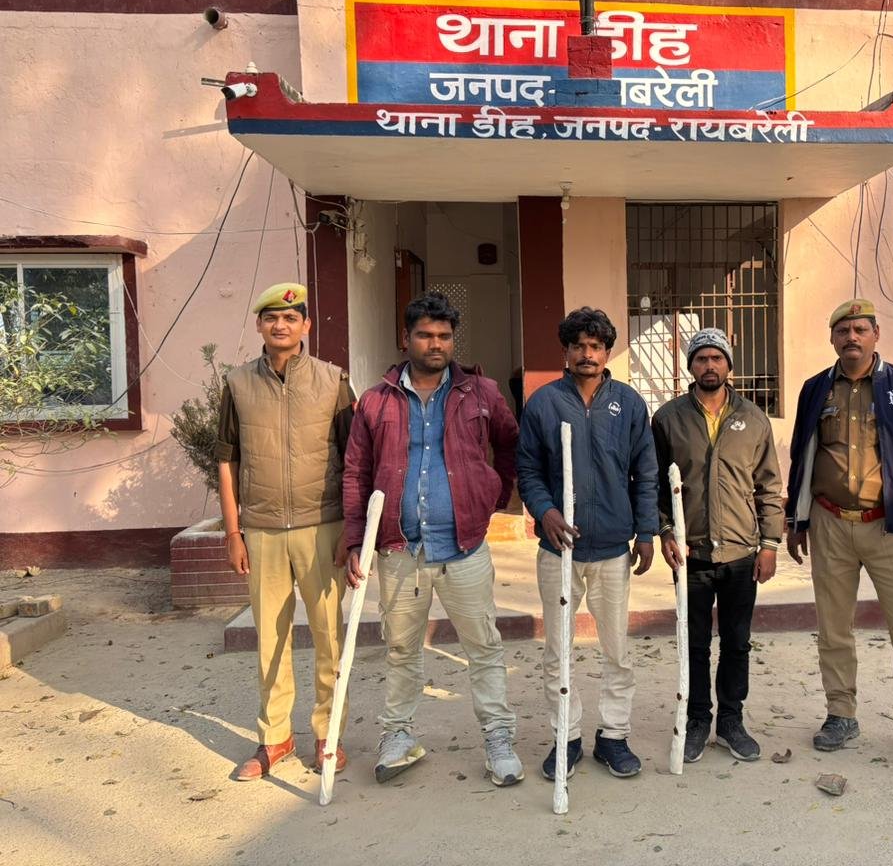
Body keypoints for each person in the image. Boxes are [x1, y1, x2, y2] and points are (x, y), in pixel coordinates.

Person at [341, 291, 523, 787]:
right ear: (406, 338)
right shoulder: (376, 401)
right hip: (401, 549)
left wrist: (493, 494)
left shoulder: (481, 393)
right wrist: (356, 539)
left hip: (464, 547)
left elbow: (510, 443)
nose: (436, 343)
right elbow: (356, 471)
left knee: (483, 646)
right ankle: (398, 735)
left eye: (444, 335)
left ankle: (498, 737)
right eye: (425, 334)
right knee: (401, 649)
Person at [785, 299, 893, 770]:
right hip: (830, 523)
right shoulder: (816, 388)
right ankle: (840, 714)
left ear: (876, 334)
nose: (851, 337)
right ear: (832, 338)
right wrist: (797, 520)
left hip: (890, 527)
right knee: (834, 629)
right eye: (843, 330)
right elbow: (802, 455)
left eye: (860, 329)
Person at [214, 282, 355, 781]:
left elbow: (355, 458)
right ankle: (275, 738)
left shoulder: (333, 381)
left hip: (323, 526)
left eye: (291, 318)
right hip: (263, 530)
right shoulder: (237, 384)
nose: (281, 325)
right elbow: (226, 459)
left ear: (305, 326)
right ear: (259, 325)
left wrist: (351, 528)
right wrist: (234, 533)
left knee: (328, 637)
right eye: (271, 317)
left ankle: (328, 736)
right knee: (270, 639)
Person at [517, 307, 659, 780]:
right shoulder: (543, 403)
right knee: (558, 652)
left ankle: (614, 737)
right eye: (578, 345)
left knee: (616, 650)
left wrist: (646, 531)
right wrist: (545, 511)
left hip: (613, 549)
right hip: (559, 552)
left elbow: (645, 473)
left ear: (607, 352)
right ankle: (567, 738)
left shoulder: (629, 404)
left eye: (595, 346)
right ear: (566, 351)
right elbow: (528, 470)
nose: (587, 354)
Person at [651, 328, 785, 763]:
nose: (709, 365)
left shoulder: (754, 419)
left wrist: (770, 544)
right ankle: (697, 720)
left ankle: (730, 721)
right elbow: (655, 485)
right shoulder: (668, 419)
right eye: (701, 358)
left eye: (717, 358)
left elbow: (768, 486)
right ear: (691, 365)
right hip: (691, 554)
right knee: (694, 643)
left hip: (741, 553)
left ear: (729, 365)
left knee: (737, 641)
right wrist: (665, 532)